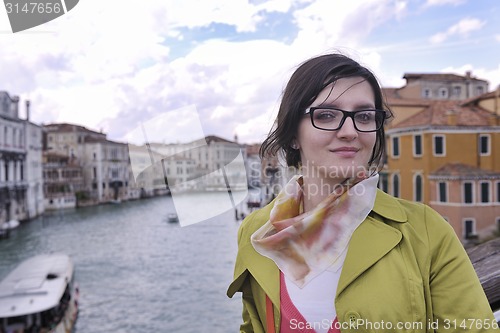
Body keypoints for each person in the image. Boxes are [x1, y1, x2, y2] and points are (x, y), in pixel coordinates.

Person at [227, 53, 496, 333]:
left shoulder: (427, 231)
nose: (349, 130)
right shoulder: (255, 233)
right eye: (326, 115)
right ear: (293, 133)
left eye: (365, 116)